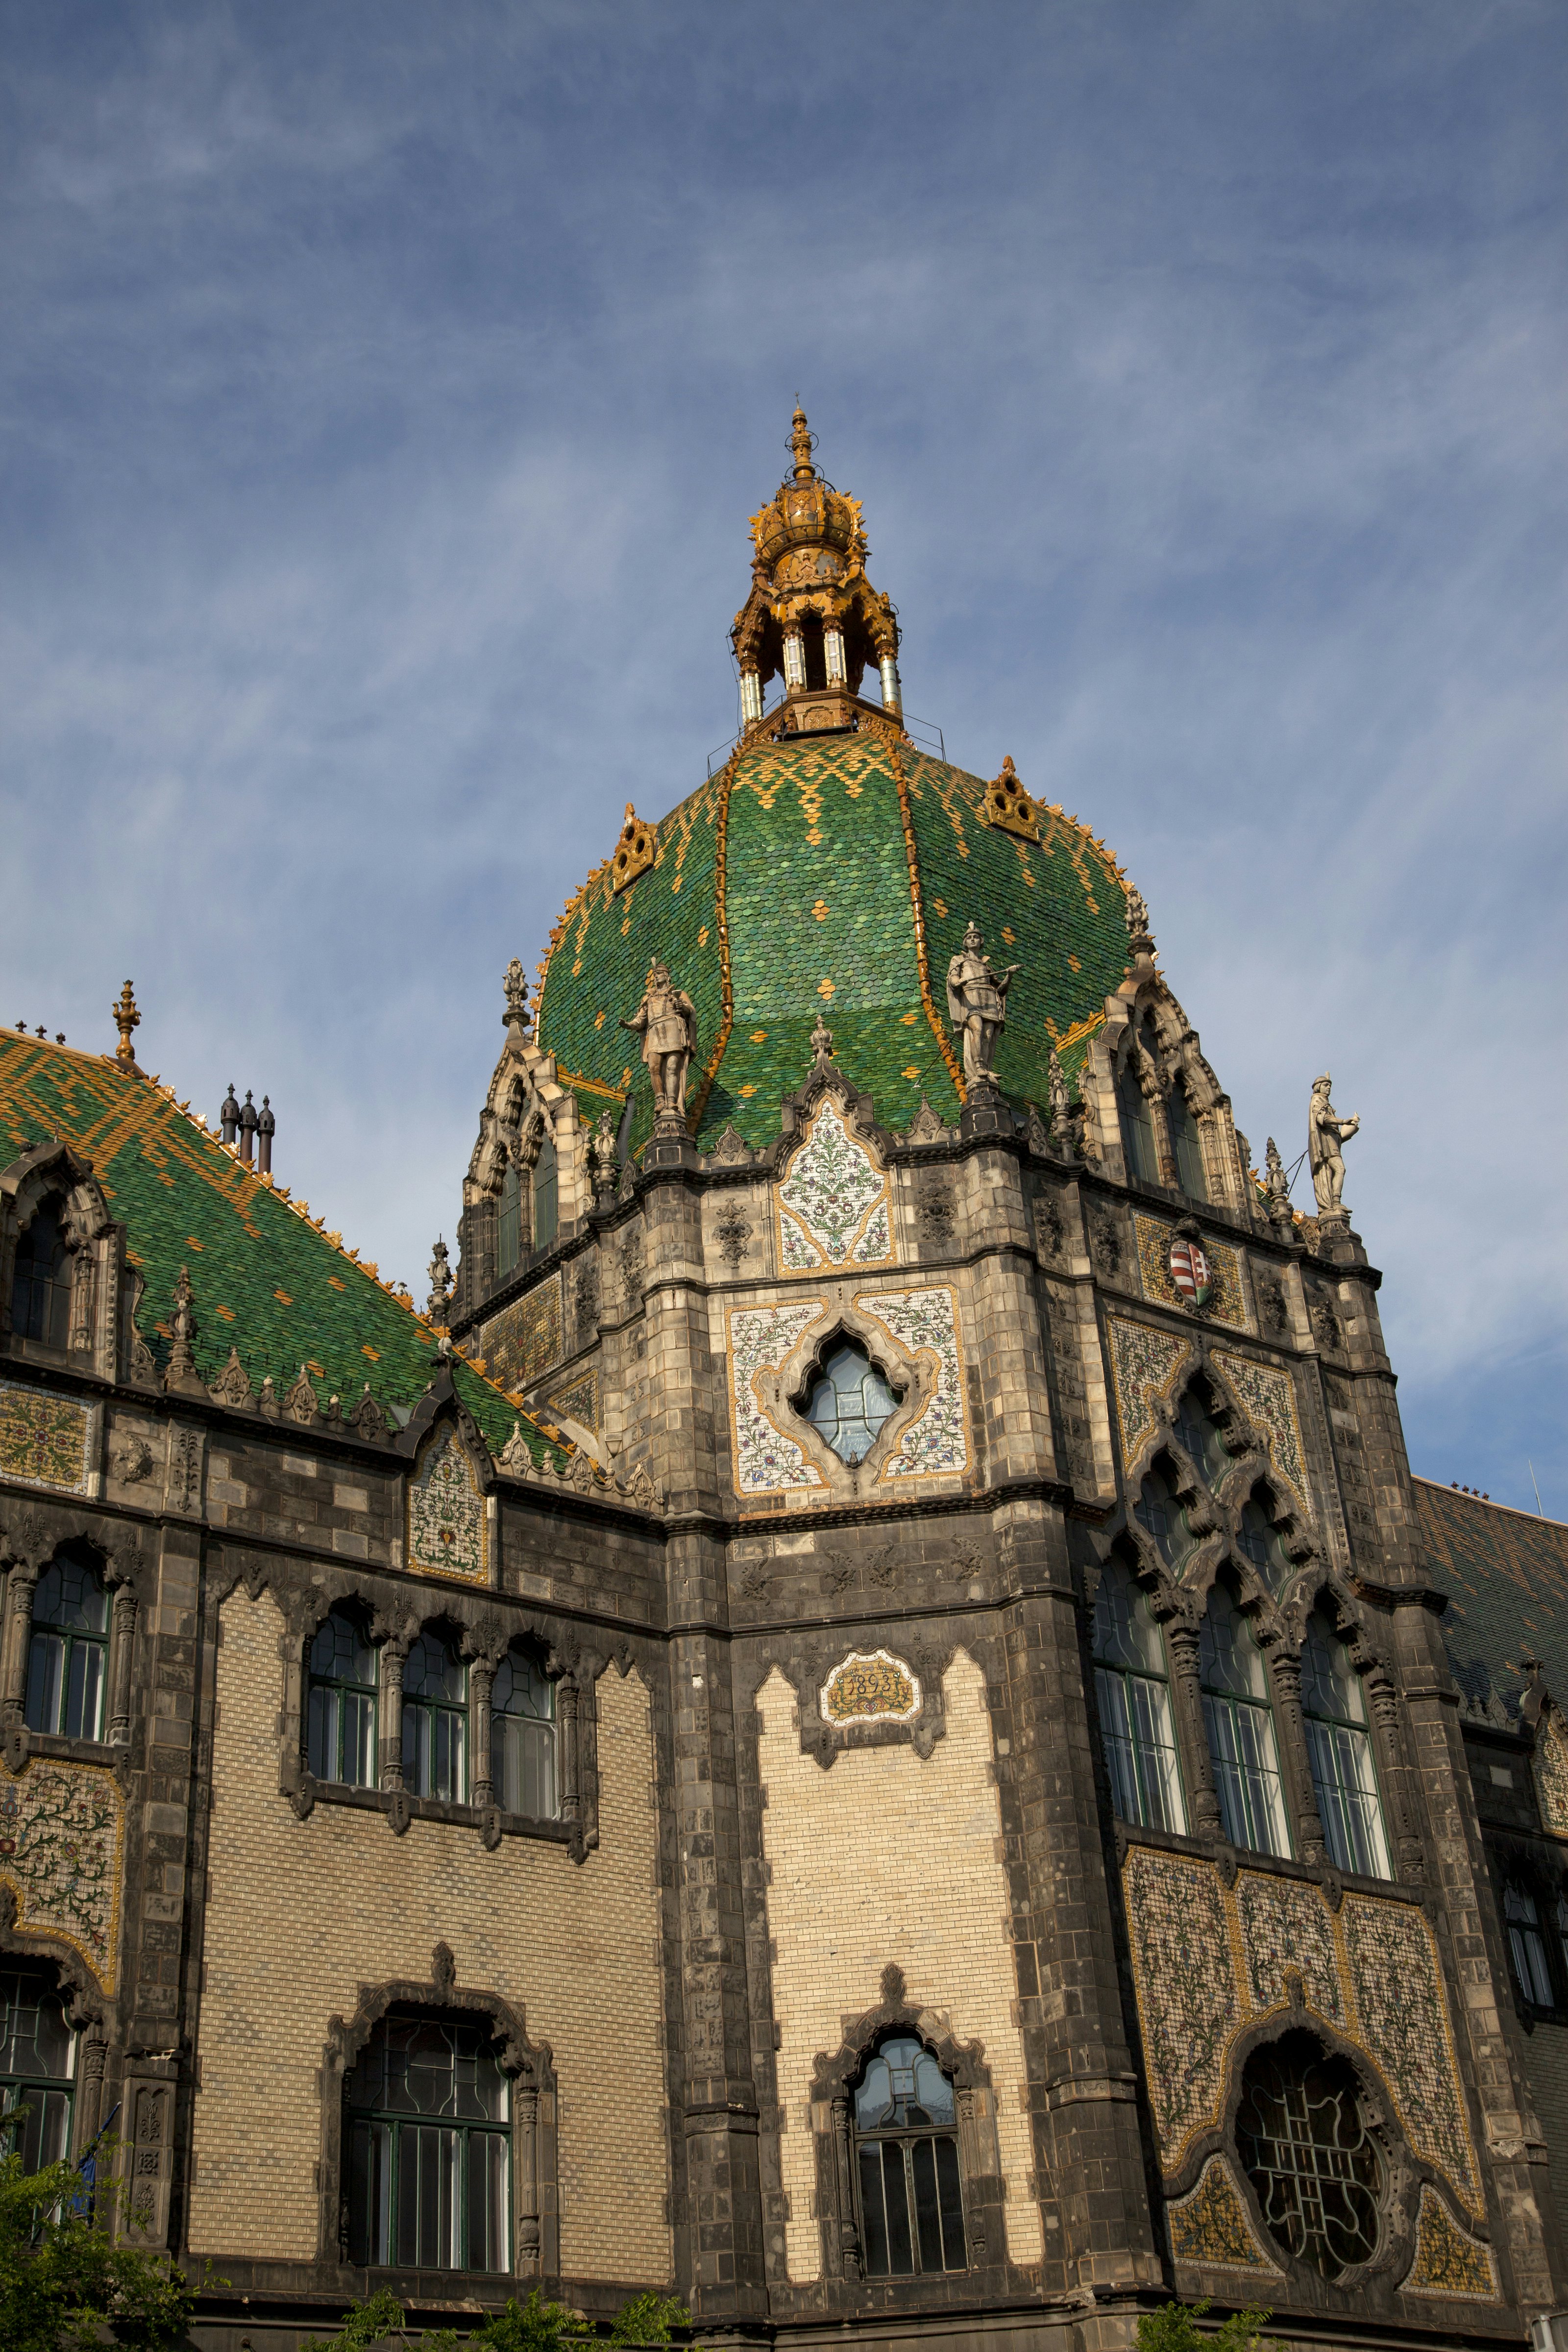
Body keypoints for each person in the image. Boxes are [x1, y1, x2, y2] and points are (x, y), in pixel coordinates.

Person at [945, 921, 1019, 1086]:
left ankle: (986, 1066)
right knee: (977, 1029)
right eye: (970, 938)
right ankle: (978, 1066)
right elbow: (952, 978)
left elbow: (1000, 989)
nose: (973, 940)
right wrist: (959, 981)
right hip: (971, 997)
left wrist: (1009, 976)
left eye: (976, 938)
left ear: (981, 941)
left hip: (989, 998)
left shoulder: (986, 965)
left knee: (988, 1035)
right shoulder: (959, 960)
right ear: (965, 942)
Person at [622, 962, 698, 1119]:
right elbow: (641, 1020)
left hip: (673, 1031)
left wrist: (682, 1006)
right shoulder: (648, 998)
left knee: (672, 1067)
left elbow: (691, 1011)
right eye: (655, 974)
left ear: (667, 976)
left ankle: (672, 1102)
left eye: (660, 973)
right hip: (655, 1033)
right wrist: (629, 1025)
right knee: (654, 1067)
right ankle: (660, 1100)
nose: (656, 976)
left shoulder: (678, 994)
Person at [1307, 1073, 1359, 1214]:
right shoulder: (1318, 1099)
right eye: (1325, 1085)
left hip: (1333, 1142)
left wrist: (1351, 1129)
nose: (1329, 1088)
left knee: (1331, 1173)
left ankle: (1334, 1201)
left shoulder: (1325, 1102)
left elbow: (1336, 1131)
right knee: (1340, 1169)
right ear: (1318, 1087)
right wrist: (1344, 1121)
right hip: (1327, 1144)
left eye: (1330, 1085)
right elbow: (1322, 1118)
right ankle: (1336, 1202)